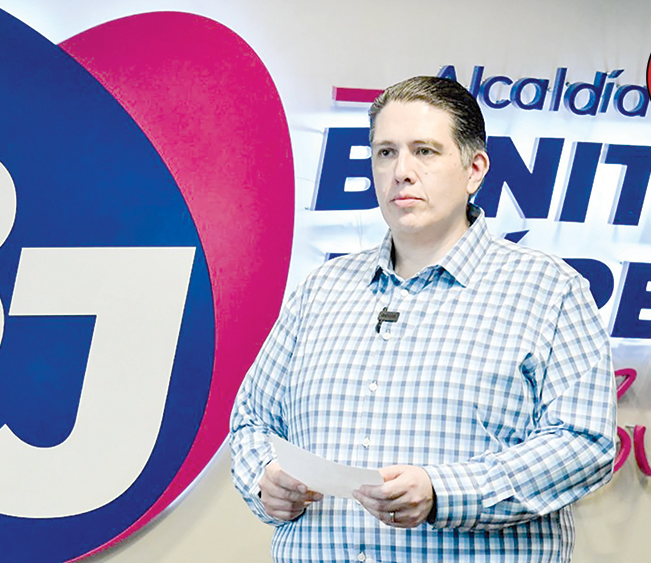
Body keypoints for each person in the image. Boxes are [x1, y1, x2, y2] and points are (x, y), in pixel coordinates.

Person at [229, 76, 616, 562]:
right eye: (386, 153)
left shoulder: (549, 290)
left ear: (474, 170)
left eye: (425, 151)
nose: (401, 172)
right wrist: (265, 480)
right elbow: (251, 420)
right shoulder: (320, 291)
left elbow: (585, 444)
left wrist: (444, 492)